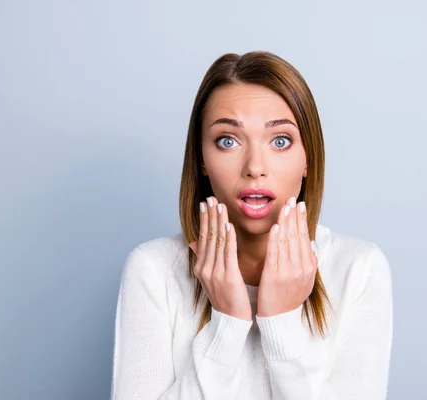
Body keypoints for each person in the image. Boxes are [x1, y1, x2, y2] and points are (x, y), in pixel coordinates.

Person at [110, 51, 393, 400]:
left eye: (280, 141)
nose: (255, 167)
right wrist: (227, 324)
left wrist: (283, 324)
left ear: (308, 158)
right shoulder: (153, 270)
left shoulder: (359, 269)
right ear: (201, 159)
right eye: (228, 141)